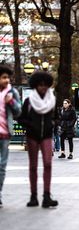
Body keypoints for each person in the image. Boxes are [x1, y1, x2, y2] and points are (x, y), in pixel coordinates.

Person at [18, 71, 58, 208]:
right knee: (33, 166)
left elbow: (56, 116)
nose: (43, 87)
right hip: (32, 136)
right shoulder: (29, 101)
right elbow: (21, 117)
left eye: (45, 85)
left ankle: (46, 195)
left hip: (46, 135)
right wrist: (30, 125)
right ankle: (33, 196)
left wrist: (52, 124)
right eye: (40, 85)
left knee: (48, 164)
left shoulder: (52, 100)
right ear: (35, 86)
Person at [0, 65, 21, 207]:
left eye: (8, 77)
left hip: (5, 134)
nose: (6, 80)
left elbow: (19, 111)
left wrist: (11, 101)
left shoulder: (12, 92)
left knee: (1, 166)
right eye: (3, 77)